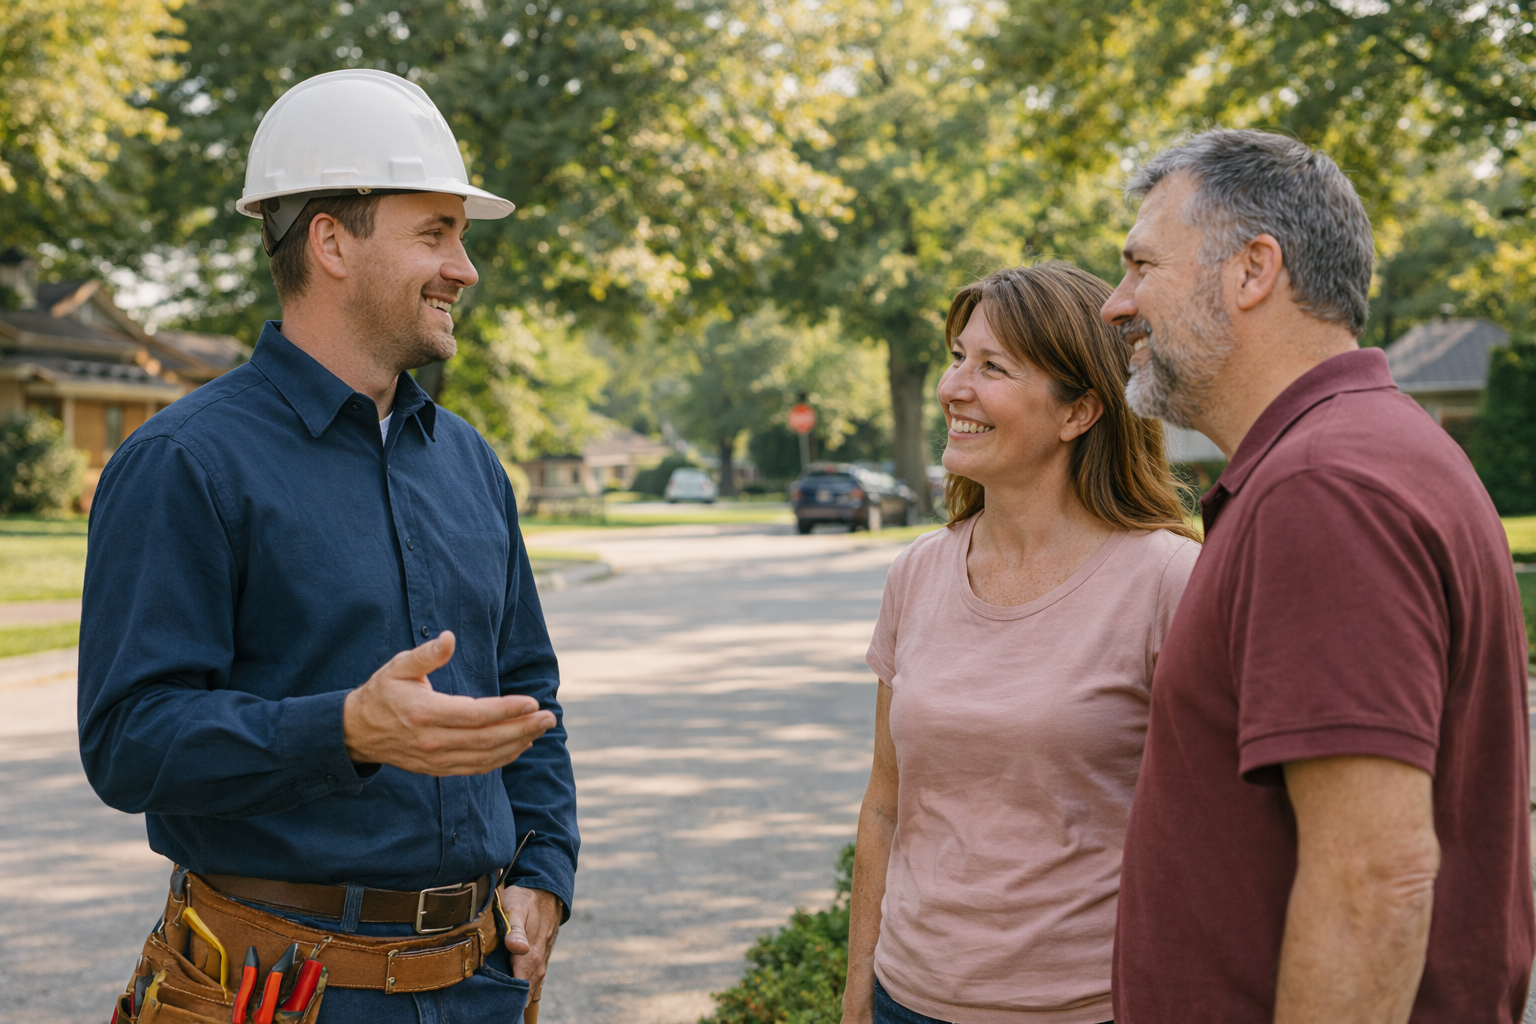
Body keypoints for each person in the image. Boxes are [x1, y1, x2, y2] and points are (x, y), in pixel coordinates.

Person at [78, 69, 577, 1023]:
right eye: (435, 233)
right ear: (331, 241)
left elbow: (531, 695)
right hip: (275, 994)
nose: (465, 268)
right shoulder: (184, 462)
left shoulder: (470, 461)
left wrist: (545, 868)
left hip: (479, 985)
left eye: (461, 237)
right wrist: (344, 729)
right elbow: (127, 741)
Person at [1102, 128, 1533, 1023]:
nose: (1117, 303)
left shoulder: (1321, 489)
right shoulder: (1364, 447)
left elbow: (1375, 879)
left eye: (1143, 265)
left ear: (1253, 270)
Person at [842, 261, 1201, 1024]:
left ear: (1079, 413)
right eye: (956, 358)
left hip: (1091, 1007)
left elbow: (1215, 839)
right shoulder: (918, 572)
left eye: (993, 367)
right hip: (907, 998)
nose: (953, 388)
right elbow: (885, 804)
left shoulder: (1169, 581)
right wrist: (856, 994)